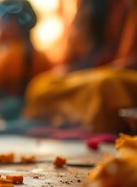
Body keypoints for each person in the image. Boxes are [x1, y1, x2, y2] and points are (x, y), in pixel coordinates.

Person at [23, 0, 137, 132]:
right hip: (90, 75)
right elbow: (75, 56)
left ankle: (87, 123)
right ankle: (66, 122)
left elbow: (130, 60)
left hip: (120, 75)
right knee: (40, 84)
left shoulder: (130, 6)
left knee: (105, 85)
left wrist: (106, 68)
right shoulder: (88, 5)